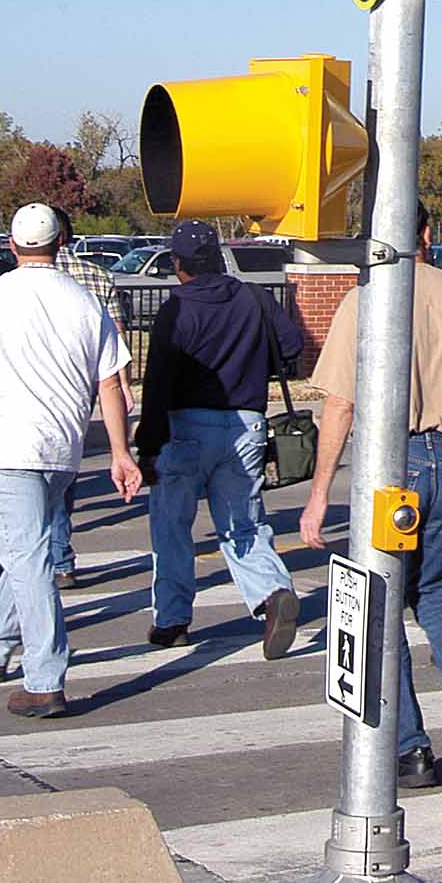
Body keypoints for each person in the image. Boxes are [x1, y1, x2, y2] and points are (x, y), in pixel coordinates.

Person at [301, 201, 442, 786]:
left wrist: (318, 495)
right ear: (425, 232)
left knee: (382, 603)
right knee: (437, 589)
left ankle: (412, 747)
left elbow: (339, 404)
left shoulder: (366, 299)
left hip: (395, 471)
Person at [0, 203, 140, 717]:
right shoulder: (84, 302)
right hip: (63, 449)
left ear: (12, 246)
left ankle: (45, 678)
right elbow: (110, 384)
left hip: (8, 446)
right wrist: (121, 452)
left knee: (27, 559)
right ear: (61, 244)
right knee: (23, 550)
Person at [136, 220, 302, 657]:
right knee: (243, 523)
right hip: (245, 422)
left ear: (177, 263)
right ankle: (272, 593)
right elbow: (291, 346)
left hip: (185, 427)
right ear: (217, 256)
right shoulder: (254, 297)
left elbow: (157, 383)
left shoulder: (177, 309)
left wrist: (148, 445)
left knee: (172, 527)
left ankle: (172, 620)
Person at [50, 207, 133, 591]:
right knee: (64, 473)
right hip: (81, 389)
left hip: (28, 389)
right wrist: (124, 385)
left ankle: (51, 558)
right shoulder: (96, 277)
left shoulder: (11, 283)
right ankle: (61, 557)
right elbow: (116, 335)